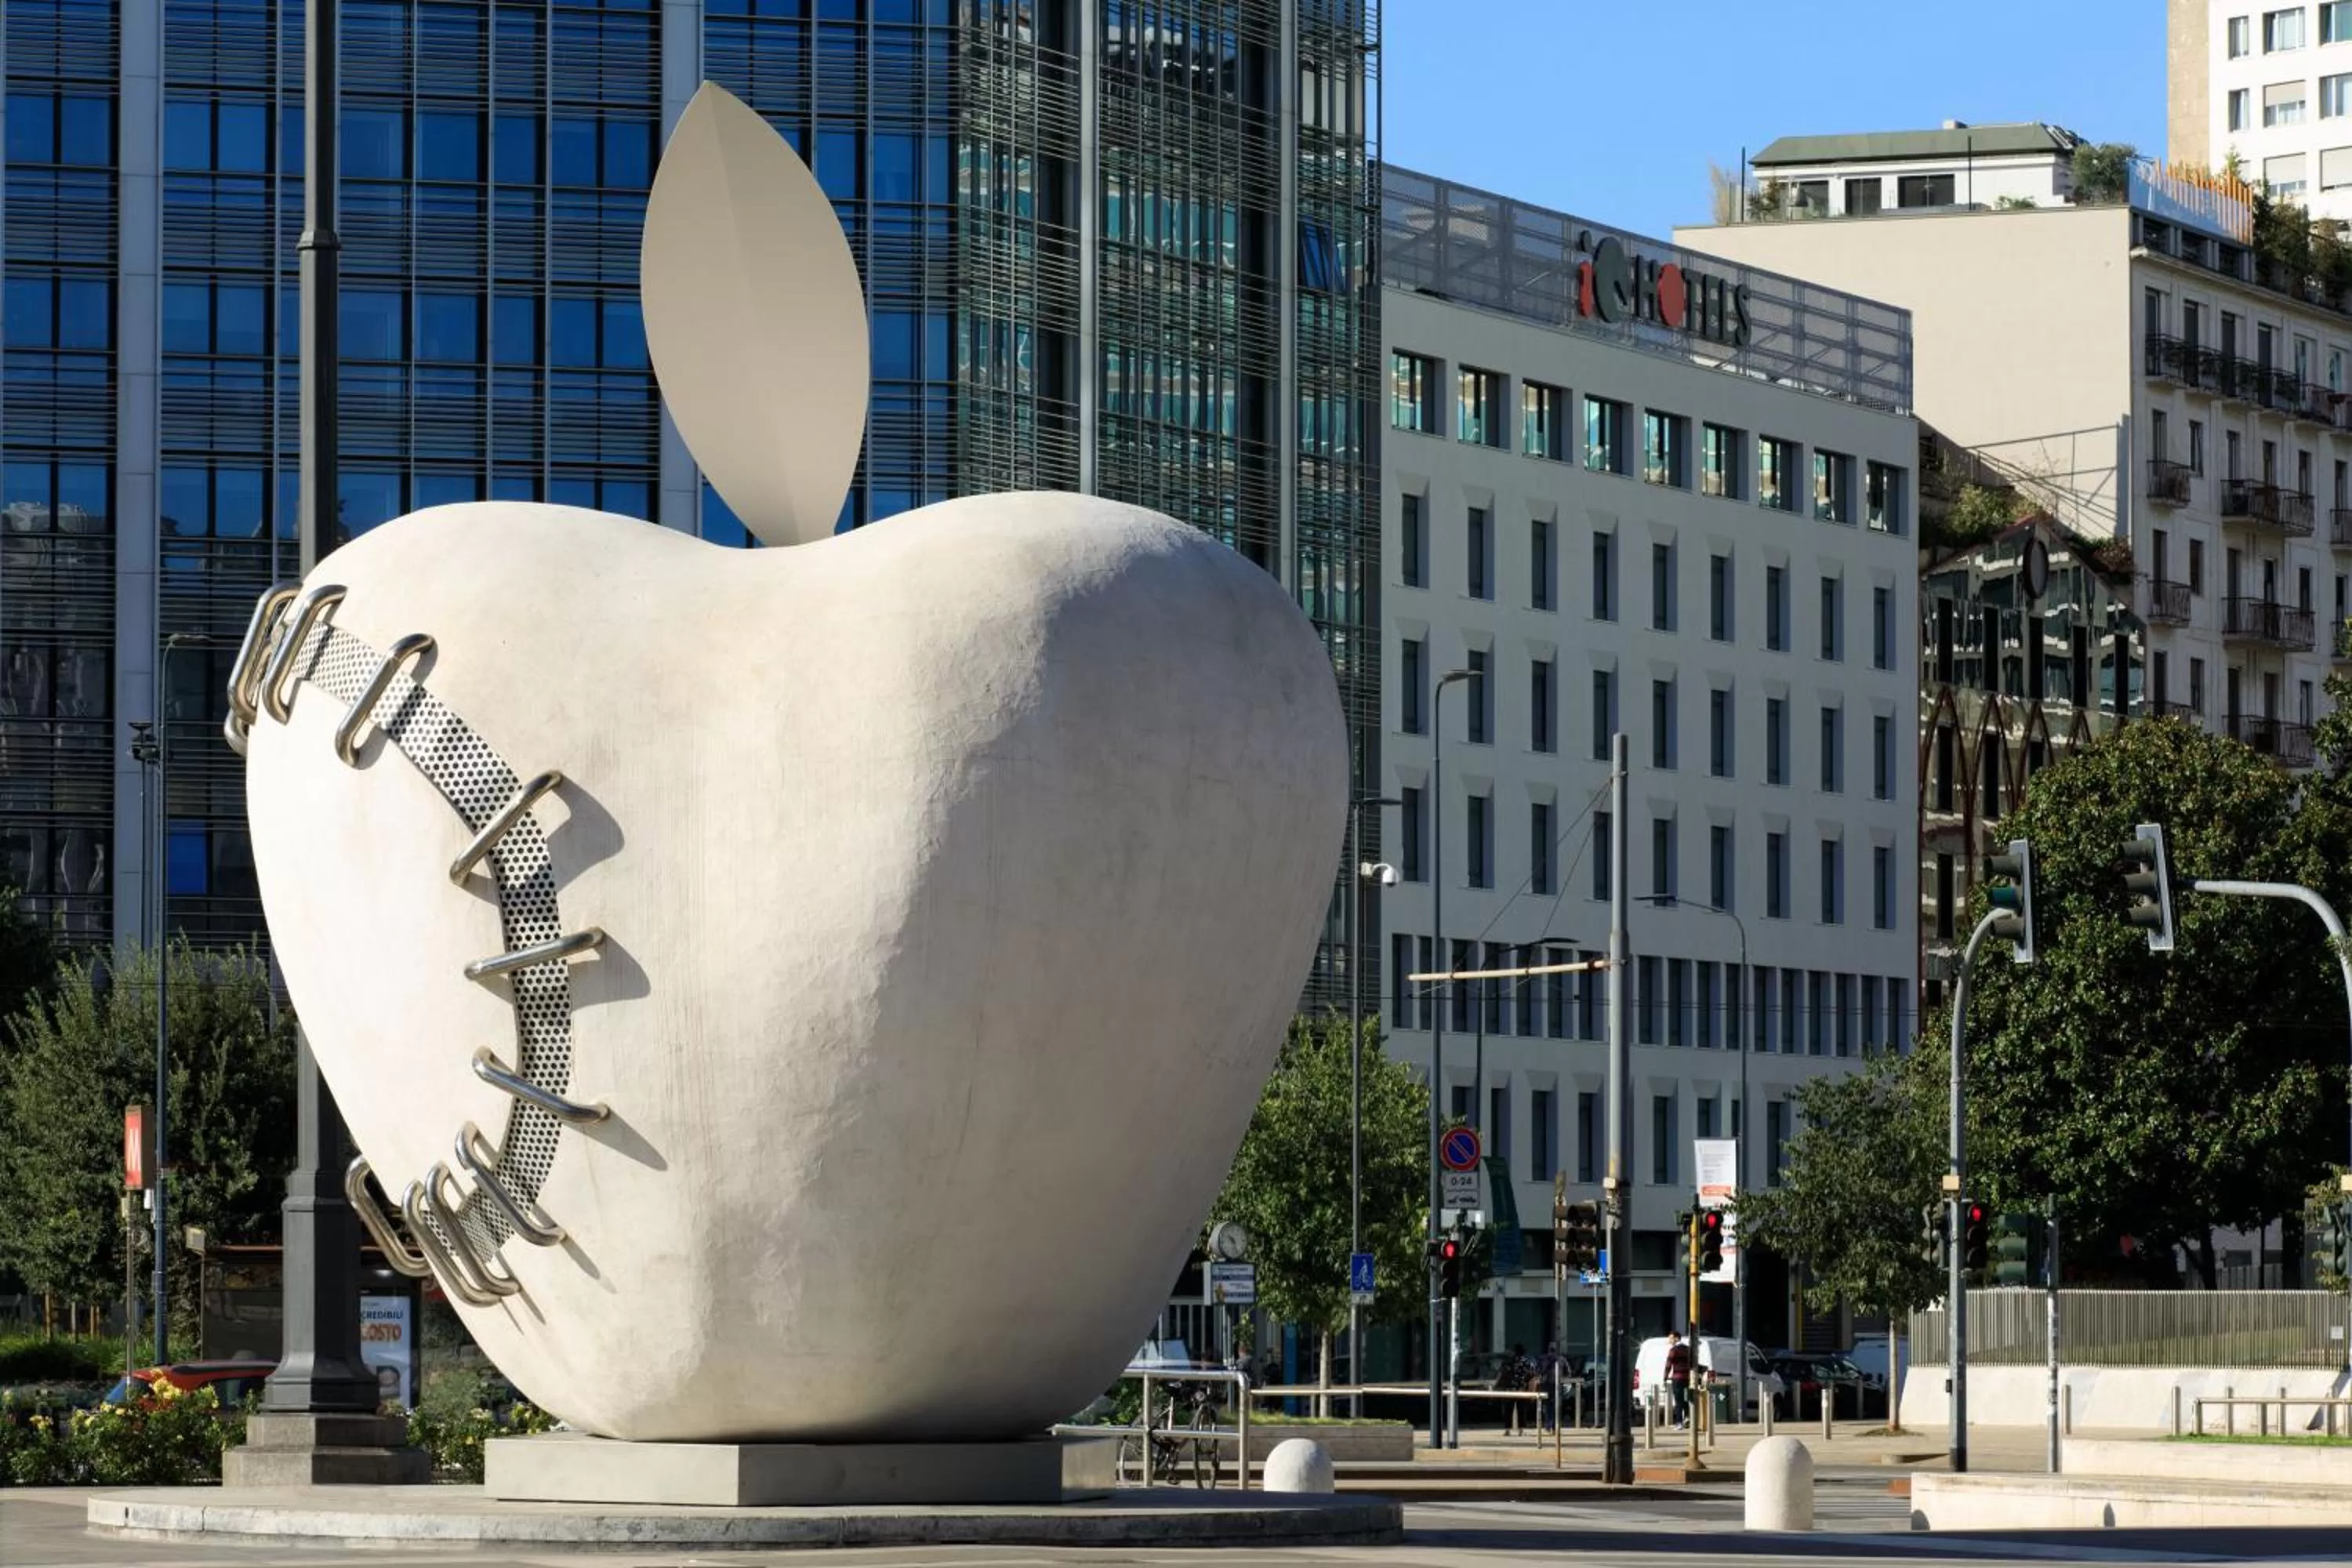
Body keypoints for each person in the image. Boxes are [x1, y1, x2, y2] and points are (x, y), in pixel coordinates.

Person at [1664, 1329, 1692, 1428]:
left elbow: (1668, 1365)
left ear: (1677, 1338)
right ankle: (1688, 1417)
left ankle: (1679, 1422)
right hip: (1687, 1378)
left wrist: (1665, 1377)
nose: (1670, 1341)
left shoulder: (1674, 1350)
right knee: (1685, 1398)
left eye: (1671, 1338)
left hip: (1677, 1378)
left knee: (1678, 1400)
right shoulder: (1688, 1349)